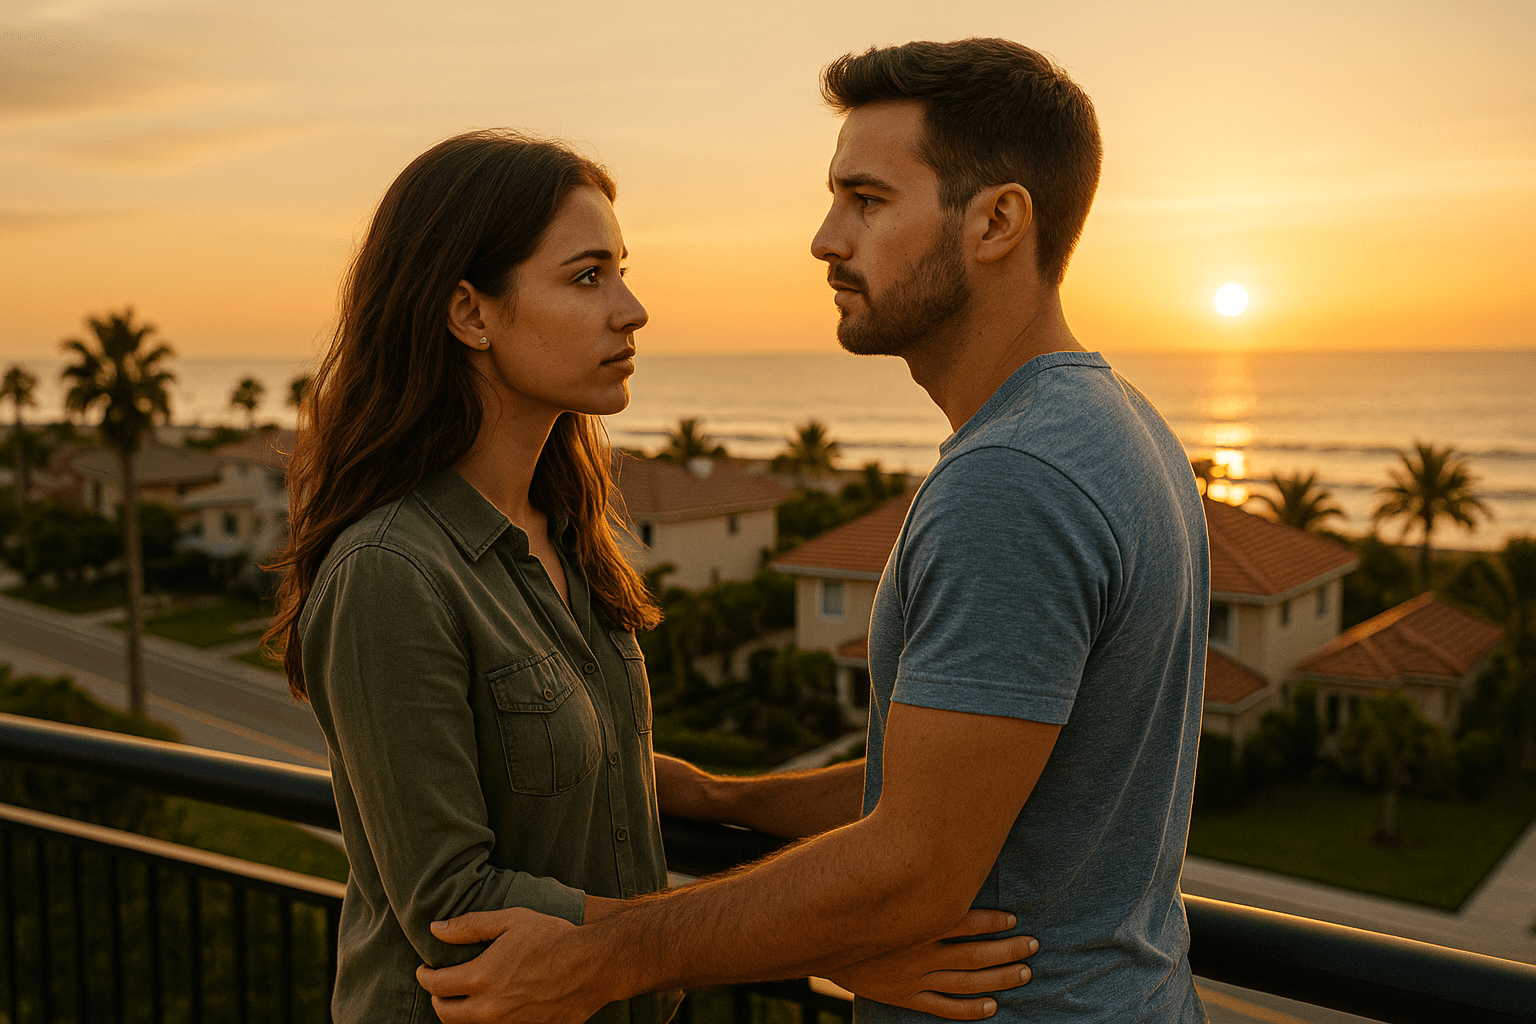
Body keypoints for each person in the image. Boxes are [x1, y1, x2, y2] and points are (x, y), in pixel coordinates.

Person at [416, 38, 1211, 1024]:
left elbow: (910, 868)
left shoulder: (1013, 480)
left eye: (867, 200)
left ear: (998, 220)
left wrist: (607, 952)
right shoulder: (1116, 425)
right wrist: (725, 798)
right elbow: (956, 778)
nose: (826, 238)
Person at [264, 128, 1036, 1024]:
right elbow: (453, 909)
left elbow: (573, 767)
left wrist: (715, 795)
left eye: (621, 272)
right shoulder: (391, 571)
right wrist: (828, 948)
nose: (630, 308)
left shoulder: (565, 536)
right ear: (470, 313)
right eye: (588, 277)